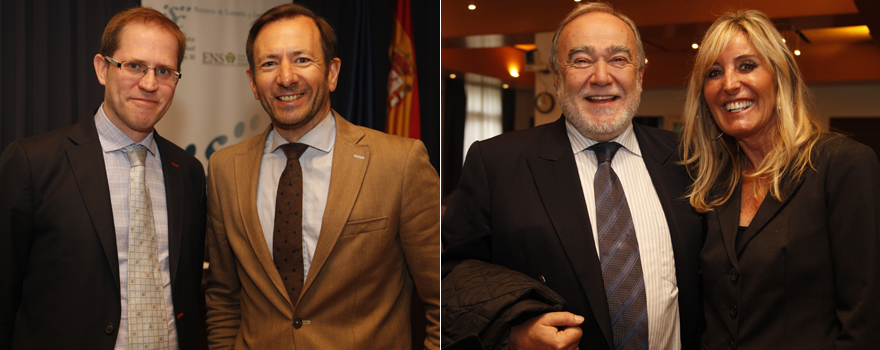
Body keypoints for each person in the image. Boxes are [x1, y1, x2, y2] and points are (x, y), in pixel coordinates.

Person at [442, 3, 704, 350]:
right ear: (556, 74)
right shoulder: (496, 164)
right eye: (581, 60)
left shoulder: (690, 158)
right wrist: (512, 334)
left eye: (618, 59)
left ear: (639, 73)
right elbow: (449, 274)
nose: (600, 76)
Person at [203, 4, 440, 349]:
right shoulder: (225, 169)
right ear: (253, 82)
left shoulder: (400, 163)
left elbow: (440, 295)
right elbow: (223, 296)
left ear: (331, 72)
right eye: (269, 63)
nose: (286, 77)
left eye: (302, 60)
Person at [0, 7, 206, 350]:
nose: (150, 83)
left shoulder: (189, 172)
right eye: (134, 66)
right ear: (102, 68)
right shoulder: (32, 163)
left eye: (165, 71)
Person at [679, 9, 880, 349]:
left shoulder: (843, 165)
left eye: (747, 65)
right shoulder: (709, 185)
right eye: (714, 72)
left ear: (780, 76)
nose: (729, 84)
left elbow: (866, 321)